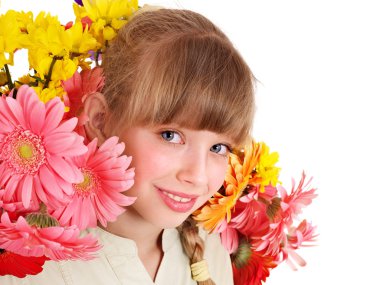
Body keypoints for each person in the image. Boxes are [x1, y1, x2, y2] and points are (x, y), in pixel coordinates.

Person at [0, 7, 255, 285]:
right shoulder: (24, 262)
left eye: (218, 148)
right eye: (170, 135)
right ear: (99, 119)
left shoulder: (214, 252)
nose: (197, 175)